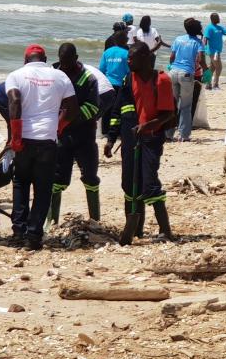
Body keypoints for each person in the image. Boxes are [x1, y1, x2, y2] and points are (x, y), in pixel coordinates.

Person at [6, 44, 78, 249]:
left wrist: (16, 137)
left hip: (24, 139)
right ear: (45, 59)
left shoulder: (15, 75)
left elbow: (14, 103)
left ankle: (19, 232)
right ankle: (33, 236)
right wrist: (58, 127)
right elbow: (73, 109)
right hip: (47, 139)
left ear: (25, 59)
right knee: (42, 188)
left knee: (20, 182)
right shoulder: (60, 76)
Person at [104, 43, 175, 241]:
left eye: (132, 58)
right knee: (129, 182)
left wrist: (148, 125)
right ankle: (135, 228)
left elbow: (169, 113)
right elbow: (118, 110)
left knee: (149, 182)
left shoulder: (161, 80)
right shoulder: (129, 79)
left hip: (151, 138)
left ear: (144, 57)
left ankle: (165, 231)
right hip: (130, 138)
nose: (128, 61)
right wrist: (111, 139)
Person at [50, 43, 102, 223]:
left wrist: (71, 118)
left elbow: (93, 107)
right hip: (61, 136)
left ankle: (95, 220)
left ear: (76, 58)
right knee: (57, 179)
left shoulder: (88, 78)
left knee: (90, 177)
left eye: (68, 62)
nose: (64, 66)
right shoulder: (53, 74)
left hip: (84, 135)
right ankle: (52, 221)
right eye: (62, 62)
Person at [168, 18, 208, 142]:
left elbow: (172, 57)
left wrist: (171, 66)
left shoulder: (178, 39)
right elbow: (201, 59)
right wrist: (207, 70)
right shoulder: (198, 42)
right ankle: (184, 135)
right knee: (185, 105)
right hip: (186, 74)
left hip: (173, 72)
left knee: (172, 104)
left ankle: (168, 134)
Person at [99, 26, 130, 138]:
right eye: (127, 38)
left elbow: (101, 69)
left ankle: (105, 131)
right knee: (119, 110)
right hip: (121, 84)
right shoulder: (126, 53)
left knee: (107, 109)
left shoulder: (107, 52)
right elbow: (129, 71)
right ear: (125, 40)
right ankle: (117, 131)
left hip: (108, 84)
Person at [203, 12, 226, 90]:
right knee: (219, 67)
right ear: (212, 19)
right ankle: (215, 85)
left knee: (212, 68)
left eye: (218, 17)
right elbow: (205, 38)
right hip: (213, 52)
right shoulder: (209, 28)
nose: (219, 19)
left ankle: (208, 84)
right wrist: (203, 50)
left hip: (217, 51)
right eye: (217, 18)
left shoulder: (220, 28)